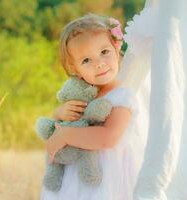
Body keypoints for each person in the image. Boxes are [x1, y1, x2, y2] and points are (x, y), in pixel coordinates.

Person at [40, 14, 142, 200]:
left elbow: (108, 138)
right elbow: (63, 122)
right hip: (77, 176)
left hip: (108, 177)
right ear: (75, 69)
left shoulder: (122, 96)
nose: (99, 64)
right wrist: (60, 113)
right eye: (86, 60)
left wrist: (66, 135)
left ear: (116, 47)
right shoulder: (85, 95)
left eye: (104, 52)